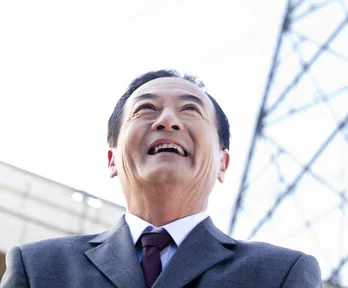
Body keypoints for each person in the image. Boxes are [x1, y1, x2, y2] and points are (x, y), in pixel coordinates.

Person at [1, 69, 322, 287]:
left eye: (190, 111)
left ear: (223, 163)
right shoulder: (38, 268)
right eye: (145, 110)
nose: (167, 121)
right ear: (112, 160)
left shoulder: (281, 274)